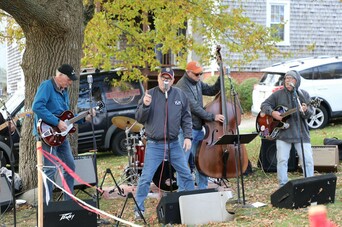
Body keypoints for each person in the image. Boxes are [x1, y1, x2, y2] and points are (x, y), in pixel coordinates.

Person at [134, 67, 195, 219]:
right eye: (163, 77)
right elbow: (139, 118)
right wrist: (145, 105)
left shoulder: (180, 95)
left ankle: (189, 204)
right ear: (159, 79)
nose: (165, 80)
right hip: (155, 145)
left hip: (174, 144)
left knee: (186, 174)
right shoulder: (150, 95)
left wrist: (188, 136)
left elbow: (186, 118)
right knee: (146, 178)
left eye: (168, 78)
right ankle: (139, 209)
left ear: (173, 80)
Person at [32, 64, 95, 201]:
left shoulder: (64, 92)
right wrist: (56, 122)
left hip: (60, 137)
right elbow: (37, 106)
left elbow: (66, 118)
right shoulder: (46, 86)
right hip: (46, 135)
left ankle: (69, 202)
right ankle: (46, 206)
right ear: (59, 76)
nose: (70, 82)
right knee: (49, 169)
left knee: (70, 165)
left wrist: (84, 118)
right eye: (69, 79)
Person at [175, 61, 224, 190]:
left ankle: (203, 188)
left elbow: (212, 90)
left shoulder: (196, 82)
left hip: (198, 128)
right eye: (197, 74)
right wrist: (213, 117)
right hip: (185, 130)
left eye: (201, 74)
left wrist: (221, 76)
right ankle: (182, 190)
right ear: (188, 72)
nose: (199, 76)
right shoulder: (182, 87)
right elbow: (194, 108)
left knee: (202, 160)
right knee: (183, 162)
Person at [260, 70, 314, 187]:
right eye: (286, 79)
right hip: (283, 134)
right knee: (282, 160)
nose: (288, 81)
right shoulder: (278, 94)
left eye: (291, 79)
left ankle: (310, 183)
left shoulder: (303, 95)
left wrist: (306, 110)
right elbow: (264, 105)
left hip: (301, 134)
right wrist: (273, 112)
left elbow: (309, 114)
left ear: (297, 81)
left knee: (307, 160)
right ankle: (283, 185)